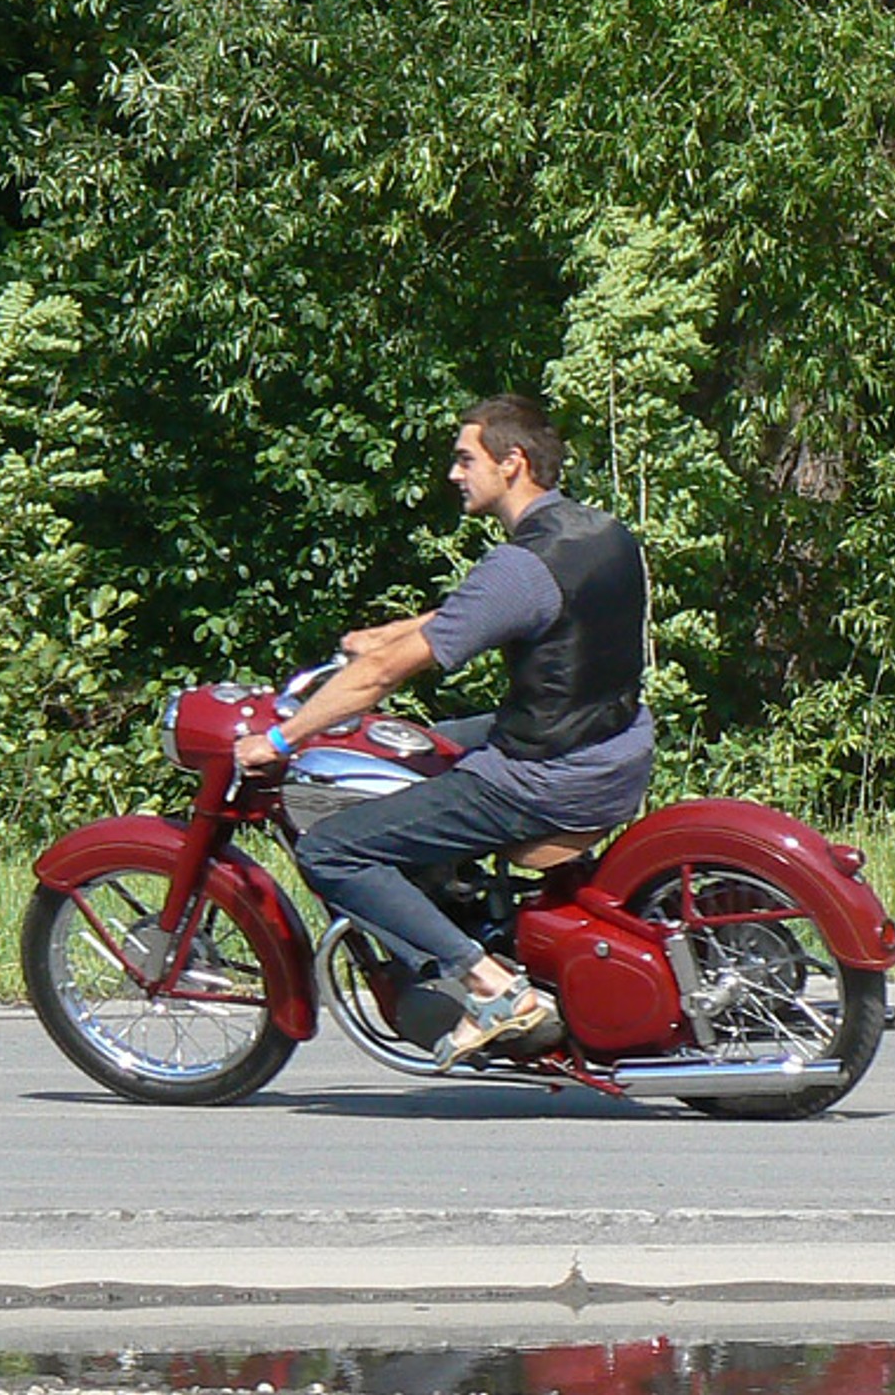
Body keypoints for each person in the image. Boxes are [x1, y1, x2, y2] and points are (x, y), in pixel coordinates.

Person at [235, 394, 655, 1069]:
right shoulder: (597, 530)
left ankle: (490, 986)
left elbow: (380, 678)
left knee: (332, 851)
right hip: (611, 741)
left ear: (512, 462)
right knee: (421, 746)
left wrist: (281, 740)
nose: (455, 475)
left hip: (548, 775)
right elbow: (478, 613)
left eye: (465, 459)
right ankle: (451, 895)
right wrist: (392, 631)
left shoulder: (520, 566)